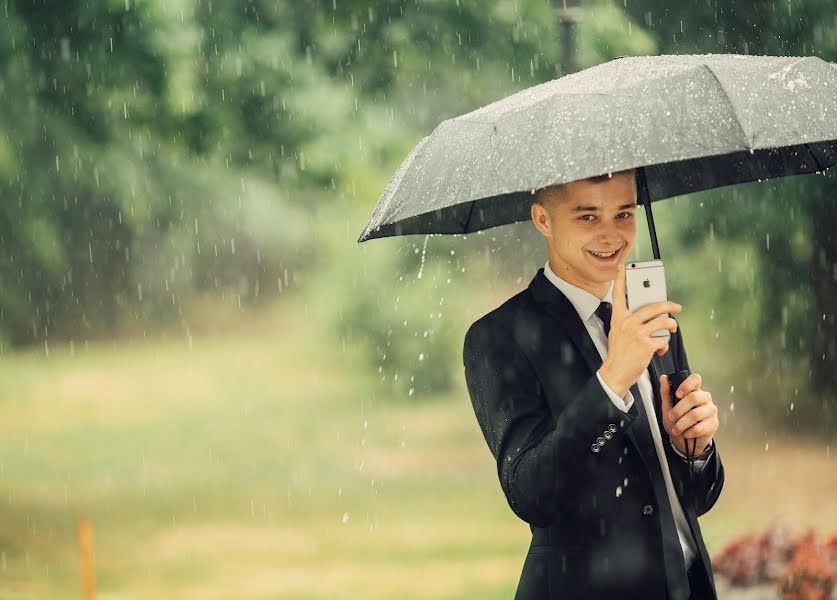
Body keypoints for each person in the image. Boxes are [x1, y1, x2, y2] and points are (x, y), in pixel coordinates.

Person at [462, 169, 724, 600]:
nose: (611, 235)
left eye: (624, 214)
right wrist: (612, 380)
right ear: (543, 220)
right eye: (588, 217)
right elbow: (531, 493)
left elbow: (696, 497)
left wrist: (691, 446)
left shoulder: (652, 319)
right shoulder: (499, 337)